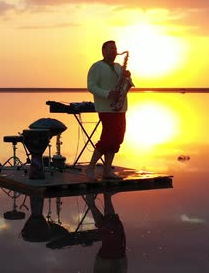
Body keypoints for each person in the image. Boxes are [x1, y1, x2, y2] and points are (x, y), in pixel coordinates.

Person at [85, 40, 132, 180]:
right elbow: (91, 86)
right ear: (103, 51)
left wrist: (127, 77)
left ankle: (107, 171)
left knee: (117, 139)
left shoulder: (119, 67)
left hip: (120, 107)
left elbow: (125, 84)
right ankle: (90, 167)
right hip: (106, 108)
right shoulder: (96, 67)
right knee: (107, 139)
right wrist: (107, 93)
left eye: (115, 48)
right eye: (111, 48)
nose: (114, 50)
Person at [84, 192, 127, 273]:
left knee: (112, 227)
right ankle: (102, 198)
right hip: (110, 257)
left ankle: (104, 197)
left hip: (113, 258)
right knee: (109, 228)